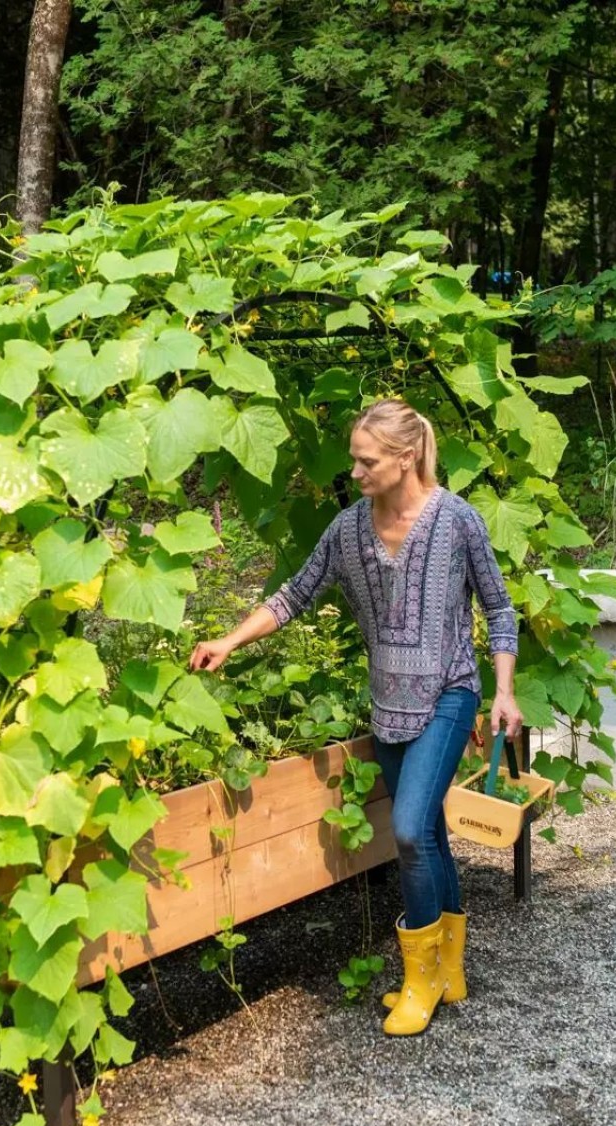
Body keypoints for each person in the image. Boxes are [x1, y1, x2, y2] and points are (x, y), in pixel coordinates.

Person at [189, 399, 522, 1036]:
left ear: (404, 458)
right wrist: (231, 640)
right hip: (388, 703)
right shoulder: (347, 531)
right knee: (427, 833)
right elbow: (294, 594)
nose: (355, 471)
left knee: (405, 830)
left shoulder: (458, 522)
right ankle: (449, 965)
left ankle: (419, 981)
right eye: (353, 459)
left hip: (449, 695)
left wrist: (502, 691)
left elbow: (500, 610)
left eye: (366, 461)